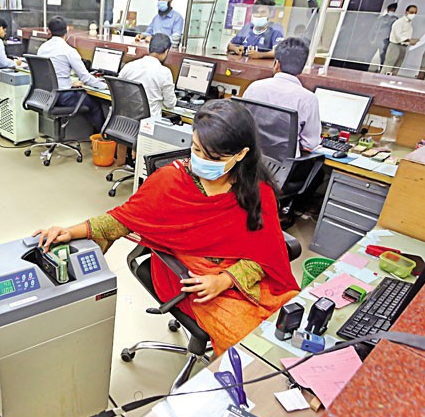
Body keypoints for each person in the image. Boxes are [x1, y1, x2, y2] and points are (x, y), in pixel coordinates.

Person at [34, 99, 299, 356]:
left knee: (292, 323)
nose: (200, 160)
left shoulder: (256, 191)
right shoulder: (170, 181)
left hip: (242, 273)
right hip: (189, 276)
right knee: (251, 349)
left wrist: (226, 279)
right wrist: (72, 231)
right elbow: (122, 219)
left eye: (213, 157)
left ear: (241, 155)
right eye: (196, 150)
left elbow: (266, 252)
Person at [242, 37, 320, 155]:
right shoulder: (308, 99)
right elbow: (310, 143)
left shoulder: (254, 88)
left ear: (276, 64)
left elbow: (241, 125)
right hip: (283, 167)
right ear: (302, 68)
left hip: (251, 158)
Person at [36, 16, 107, 128]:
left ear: (49, 31)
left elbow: (49, 75)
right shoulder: (68, 51)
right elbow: (85, 78)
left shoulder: (42, 48)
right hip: (62, 96)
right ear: (67, 30)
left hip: (46, 94)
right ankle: (103, 140)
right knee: (96, 105)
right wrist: (105, 86)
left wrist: (69, 83)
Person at [117, 33, 176, 118]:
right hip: (149, 125)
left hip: (126, 120)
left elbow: (118, 90)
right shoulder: (165, 73)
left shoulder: (129, 66)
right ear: (166, 51)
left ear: (149, 49)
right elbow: (170, 104)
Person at [384, 4, 419, 75]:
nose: (413, 14)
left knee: (397, 67)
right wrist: (409, 41)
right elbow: (398, 36)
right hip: (395, 46)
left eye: (415, 13)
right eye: (411, 12)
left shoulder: (409, 24)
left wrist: (412, 40)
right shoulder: (399, 22)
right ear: (406, 12)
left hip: (403, 47)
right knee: (388, 66)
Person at [370, 3, 398, 70]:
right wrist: (371, 39)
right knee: (370, 55)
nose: (392, 12)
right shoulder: (381, 19)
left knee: (383, 57)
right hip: (377, 39)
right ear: (388, 10)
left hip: (386, 41)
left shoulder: (395, 20)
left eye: (394, 10)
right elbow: (374, 29)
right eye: (391, 10)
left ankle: (382, 69)